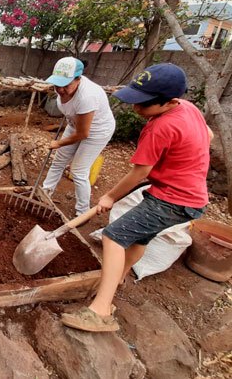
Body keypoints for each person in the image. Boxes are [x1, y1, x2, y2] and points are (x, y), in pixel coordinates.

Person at [61, 63, 212, 332]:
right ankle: (117, 278)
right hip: (189, 198)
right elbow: (208, 135)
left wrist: (108, 197)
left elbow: (141, 171)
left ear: (170, 102)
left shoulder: (159, 127)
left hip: (173, 199)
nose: (136, 109)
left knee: (114, 236)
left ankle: (100, 311)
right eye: (135, 101)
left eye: (143, 104)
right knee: (139, 236)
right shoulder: (189, 110)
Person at [42, 57, 115, 216]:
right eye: (57, 84)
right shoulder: (62, 87)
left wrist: (59, 143)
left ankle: (82, 211)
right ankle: (44, 193)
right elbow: (71, 112)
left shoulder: (87, 96)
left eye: (65, 85)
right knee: (58, 161)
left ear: (78, 79)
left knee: (79, 171)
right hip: (75, 124)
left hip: (97, 131)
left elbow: (83, 134)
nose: (60, 90)